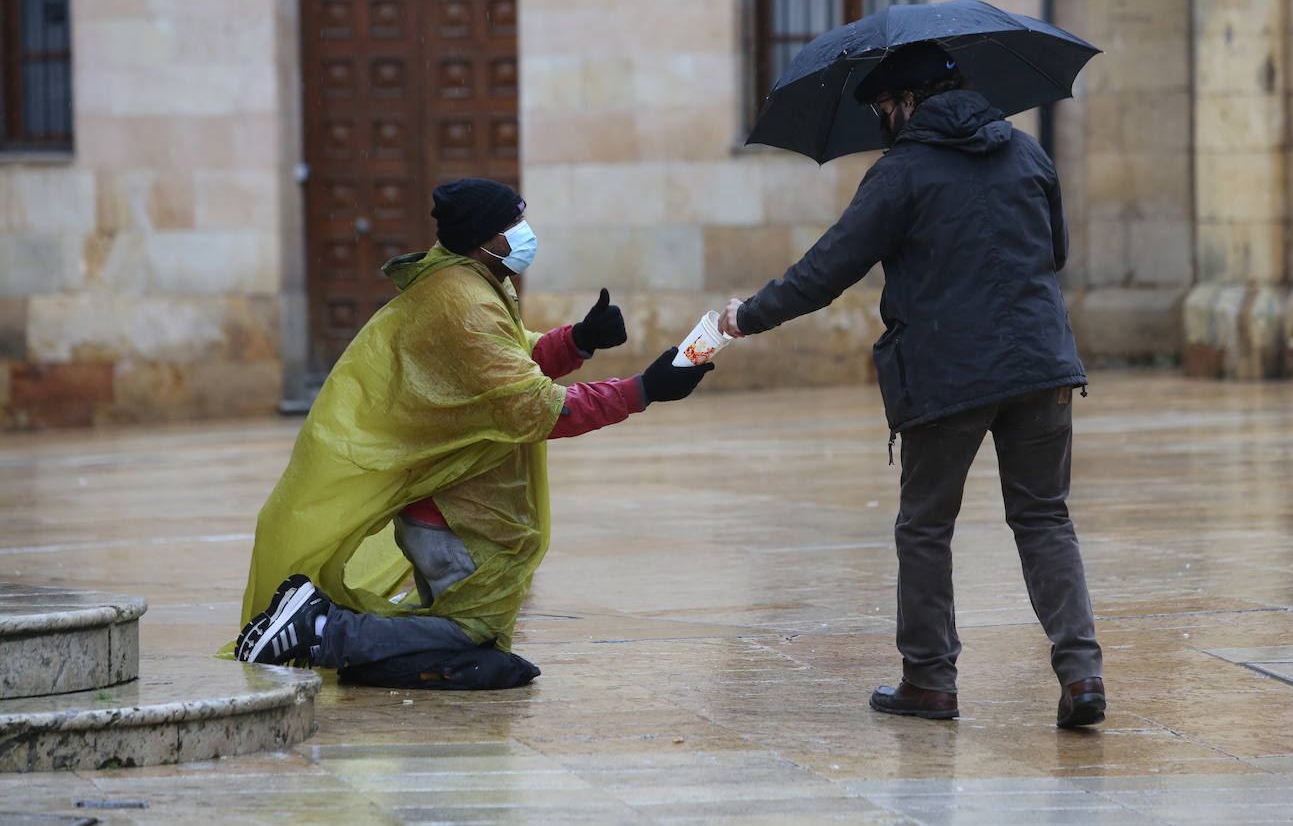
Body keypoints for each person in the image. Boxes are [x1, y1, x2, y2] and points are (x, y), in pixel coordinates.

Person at [718, 42, 1105, 727]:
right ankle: (1081, 676)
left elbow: (826, 269)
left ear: (907, 103)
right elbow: (1056, 250)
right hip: (1043, 361)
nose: (881, 124)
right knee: (1045, 518)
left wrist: (745, 316)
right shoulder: (1027, 153)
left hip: (948, 371)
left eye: (881, 110)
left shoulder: (901, 173)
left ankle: (930, 681)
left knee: (926, 528)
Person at [232, 178, 714, 689]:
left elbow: (506, 363)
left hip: (448, 507)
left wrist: (578, 340)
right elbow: (533, 406)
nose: (524, 234)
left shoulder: (468, 278)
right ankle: (321, 629)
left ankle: (329, 634)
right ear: (487, 237)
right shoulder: (462, 302)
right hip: (456, 518)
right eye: (513, 225)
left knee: (477, 652)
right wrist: (644, 390)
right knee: (471, 632)